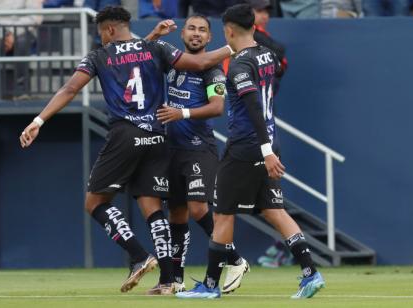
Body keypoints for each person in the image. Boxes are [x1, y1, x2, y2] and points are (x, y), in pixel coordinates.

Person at [19, 6, 233, 295]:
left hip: (125, 134)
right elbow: (198, 62)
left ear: (108, 30)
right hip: (158, 136)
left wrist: (38, 120)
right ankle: (169, 280)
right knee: (152, 206)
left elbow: (70, 89)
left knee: (94, 202)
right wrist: (235, 46)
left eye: (100, 32)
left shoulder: (99, 56)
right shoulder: (154, 47)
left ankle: (137, 254)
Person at [176, 4, 325, 299]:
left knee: (222, 213)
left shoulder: (242, 64)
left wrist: (265, 150)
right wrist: (269, 147)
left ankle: (209, 286)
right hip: (269, 140)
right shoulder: (266, 55)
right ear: (255, 27)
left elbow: (254, 106)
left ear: (229, 30)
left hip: (247, 146)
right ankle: (311, 273)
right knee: (274, 210)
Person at [146, 15, 250, 294]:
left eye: (202, 30)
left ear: (209, 38)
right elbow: (137, 56)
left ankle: (236, 259)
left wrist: (183, 112)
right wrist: (154, 34)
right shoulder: (169, 61)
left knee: (198, 208)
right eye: (191, 28)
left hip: (198, 149)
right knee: (177, 216)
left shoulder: (212, 70)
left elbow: (217, 107)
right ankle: (176, 279)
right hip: (170, 150)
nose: (196, 34)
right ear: (182, 34)